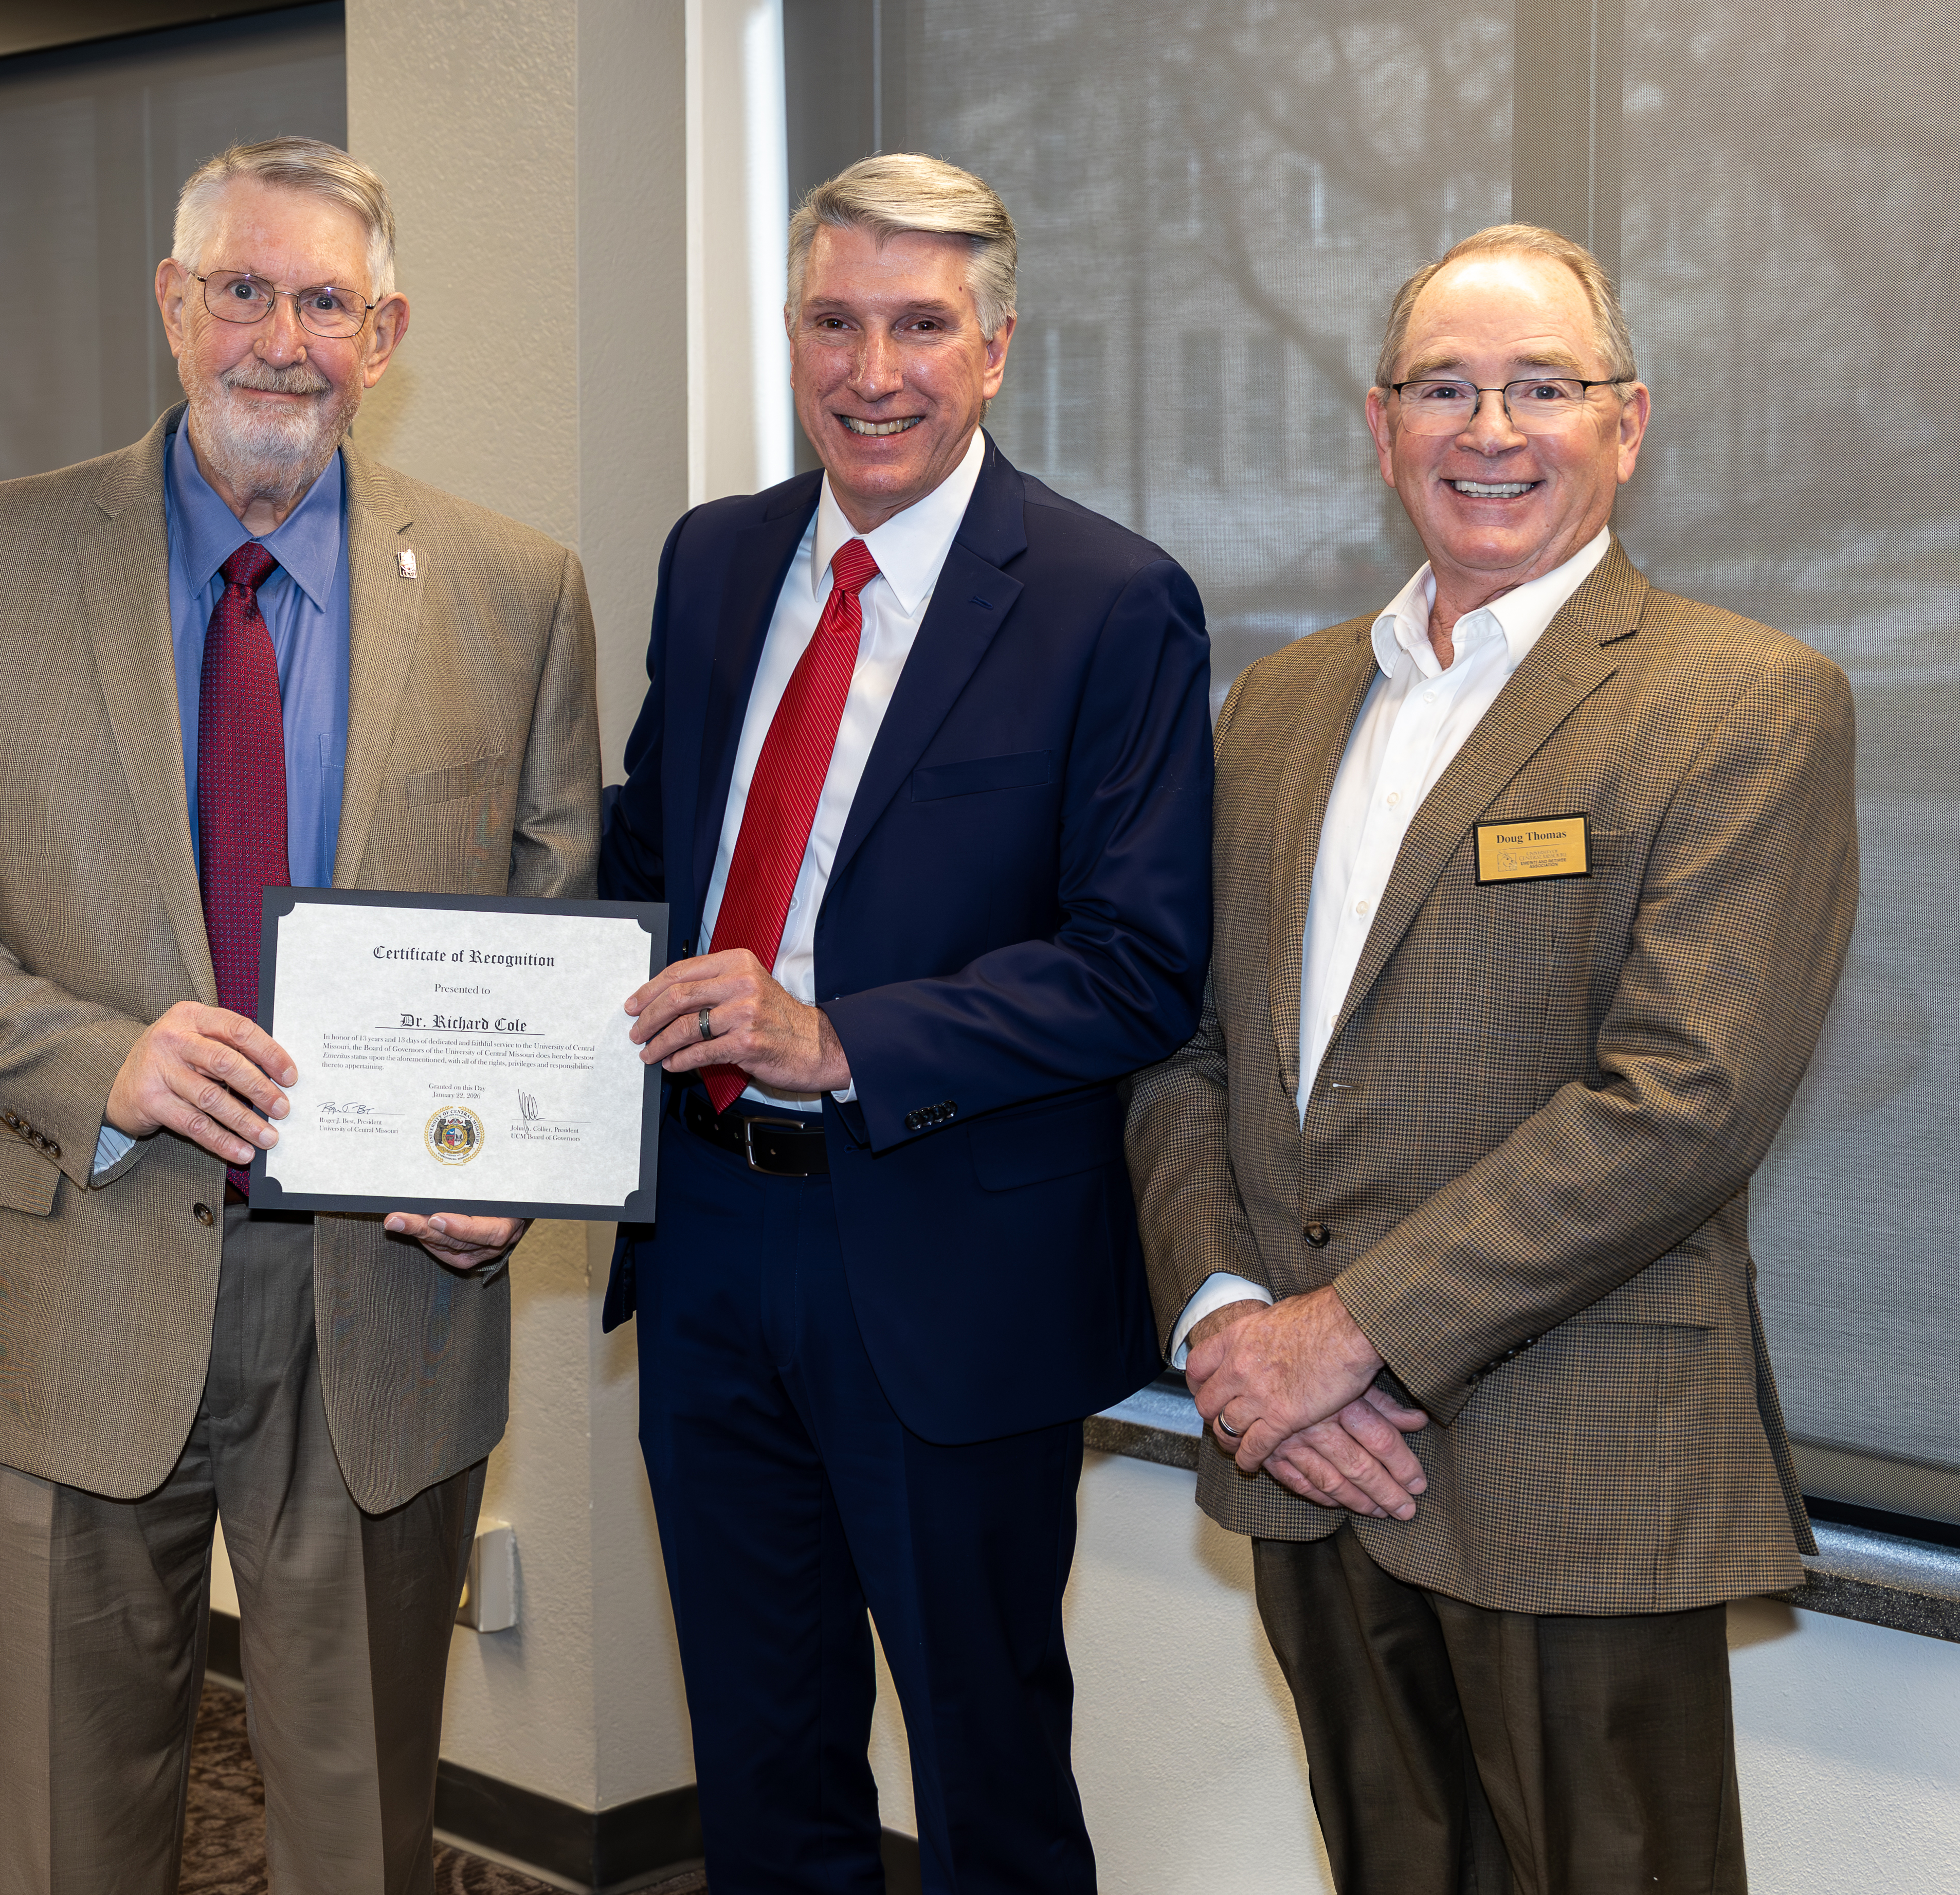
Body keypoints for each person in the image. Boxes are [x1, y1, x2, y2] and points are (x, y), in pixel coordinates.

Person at [0, 136, 598, 1895]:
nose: (279, 337)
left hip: (382, 1298)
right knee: (71, 1836)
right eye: (241, 287)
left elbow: (550, 934)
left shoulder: (514, 592)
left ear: (384, 334)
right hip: (70, 1278)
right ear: (172, 304)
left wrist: (512, 1166)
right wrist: (103, 1062)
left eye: (326, 300)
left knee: (363, 1833)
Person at [1123, 223, 1858, 1894]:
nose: (1492, 429)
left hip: (1574, 1463)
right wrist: (1234, 1327)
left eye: (1542, 385)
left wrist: (1342, 1341)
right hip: (1310, 1467)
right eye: (1445, 388)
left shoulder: (1745, 703)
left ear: (1629, 422)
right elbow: (1191, 1053)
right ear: (1382, 431)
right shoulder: (1287, 707)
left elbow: (1686, 1098)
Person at [598, 153, 1214, 1893]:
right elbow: (648, 860)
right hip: (708, 1238)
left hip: (949, 1269)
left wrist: (839, 1037)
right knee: (761, 1758)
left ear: (998, 346)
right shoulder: (715, 563)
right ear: (792, 332)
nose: (874, 369)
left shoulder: (1110, 601)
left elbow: (1136, 963)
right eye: (836, 321)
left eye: (922, 326)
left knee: (985, 1777)